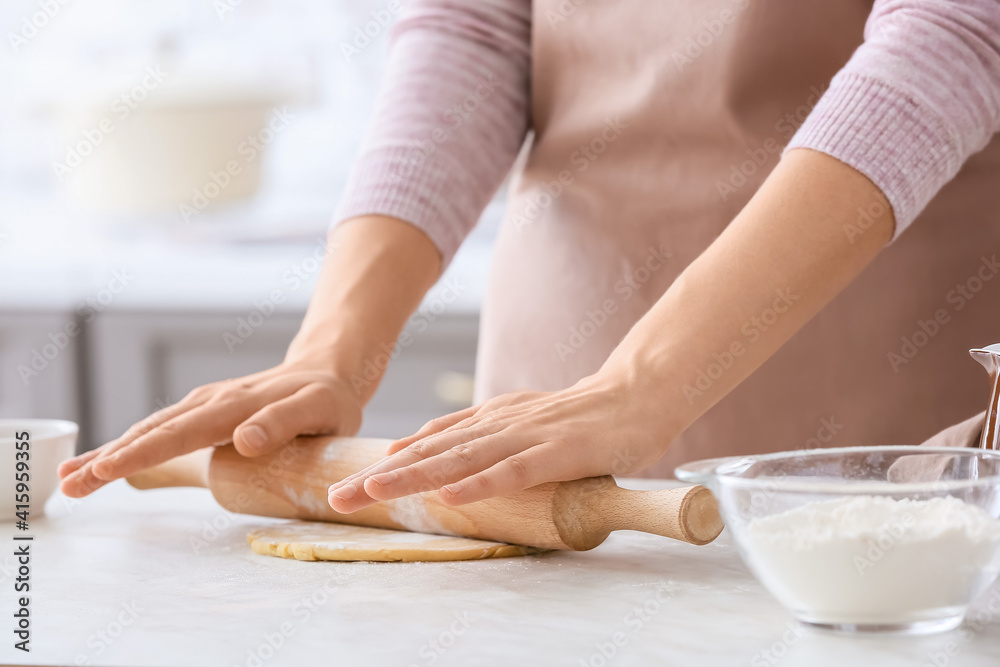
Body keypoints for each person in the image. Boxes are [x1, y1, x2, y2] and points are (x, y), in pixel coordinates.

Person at [60, 0, 1000, 515]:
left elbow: (956, 35)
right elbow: (474, 26)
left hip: (873, 375)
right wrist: (334, 349)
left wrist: (646, 383)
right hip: (561, 355)